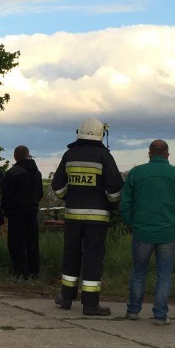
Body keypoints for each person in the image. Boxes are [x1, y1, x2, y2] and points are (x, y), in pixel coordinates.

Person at [51, 117, 123, 315]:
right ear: (101, 134)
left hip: (73, 216)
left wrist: (70, 198)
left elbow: (57, 186)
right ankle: (90, 304)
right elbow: (115, 188)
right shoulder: (104, 156)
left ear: (79, 132)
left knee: (71, 255)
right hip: (97, 219)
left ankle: (66, 298)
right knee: (93, 258)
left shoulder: (69, 155)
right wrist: (110, 204)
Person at [120, 139, 175, 325]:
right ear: (167, 155)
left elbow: (126, 202)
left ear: (149, 154)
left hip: (142, 231)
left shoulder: (136, 173)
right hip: (168, 232)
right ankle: (160, 315)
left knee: (139, 272)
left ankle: (133, 311)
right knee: (164, 273)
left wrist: (131, 223)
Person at [1, 145, 44, 279]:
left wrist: (5, 211)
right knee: (32, 242)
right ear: (28, 155)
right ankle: (34, 272)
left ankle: (21, 272)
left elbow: (6, 195)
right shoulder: (37, 173)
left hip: (17, 213)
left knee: (16, 243)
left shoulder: (12, 173)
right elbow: (40, 193)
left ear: (15, 156)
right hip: (32, 212)